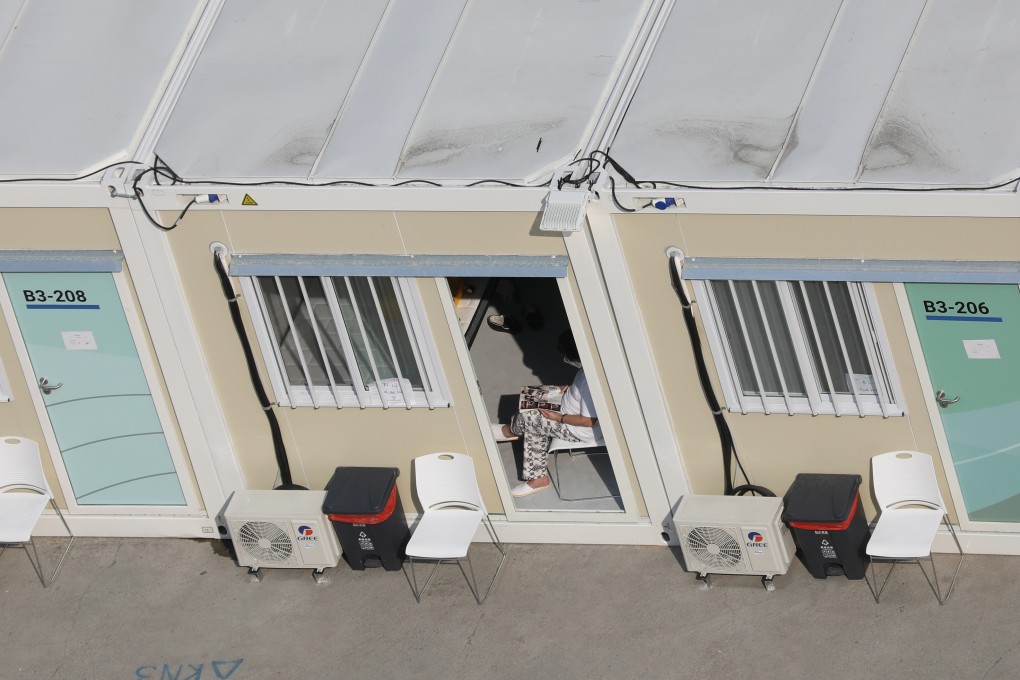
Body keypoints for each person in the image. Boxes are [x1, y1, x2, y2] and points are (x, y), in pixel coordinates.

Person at [491, 330, 599, 497]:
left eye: (567, 356)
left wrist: (559, 418)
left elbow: (588, 420)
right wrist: (573, 389)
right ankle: (514, 429)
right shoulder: (591, 368)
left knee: (531, 420)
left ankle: (538, 478)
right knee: (532, 397)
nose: (565, 359)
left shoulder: (590, 384)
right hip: (569, 409)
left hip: (578, 428)